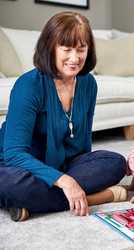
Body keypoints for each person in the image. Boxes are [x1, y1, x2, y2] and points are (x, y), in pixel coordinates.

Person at [0, 11, 126, 222]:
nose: (75, 58)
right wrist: (65, 181)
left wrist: (78, 172)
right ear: (50, 47)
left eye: (81, 49)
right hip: (17, 165)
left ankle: (30, 203)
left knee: (116, 163)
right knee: (10, 183)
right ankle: (96, 197)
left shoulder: (88, 84)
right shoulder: (29, 85)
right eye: (66, 49)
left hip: (61, 165)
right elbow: (13, 153)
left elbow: (84, 142)